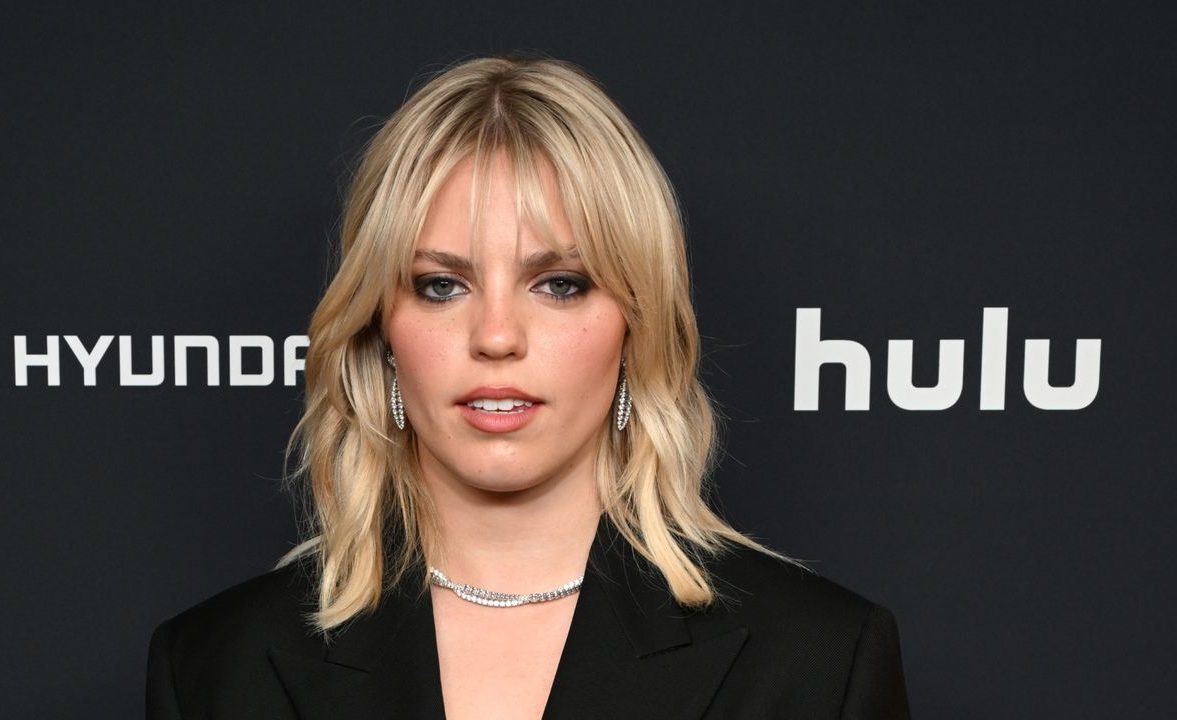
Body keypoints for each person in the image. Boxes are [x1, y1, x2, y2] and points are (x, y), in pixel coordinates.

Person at [146, 54, 912, 720]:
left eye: (561, 284)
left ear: (634, 324)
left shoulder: (819, 663)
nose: (498, 336)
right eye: (443, 285)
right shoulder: (217, 666)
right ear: (380, 329)